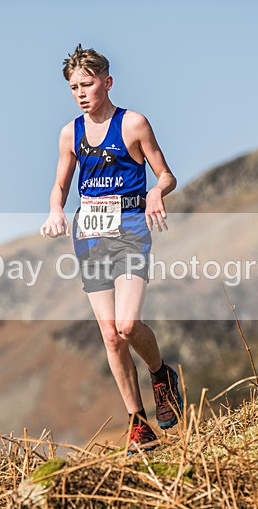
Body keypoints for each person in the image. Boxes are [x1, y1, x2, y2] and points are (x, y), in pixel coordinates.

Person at [40, 44, 183, 453]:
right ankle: (139, 423)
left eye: (87, 84)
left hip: (131, 231)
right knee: (109, 335)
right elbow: (61, 184)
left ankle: (160, 374)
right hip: (89, 234)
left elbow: (166, 174)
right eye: (73, 87)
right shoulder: (70, 133)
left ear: (107, 82)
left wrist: (157, 191)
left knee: (126, 325)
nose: (81, 93)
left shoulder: (134, 124)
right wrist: (55, 210)